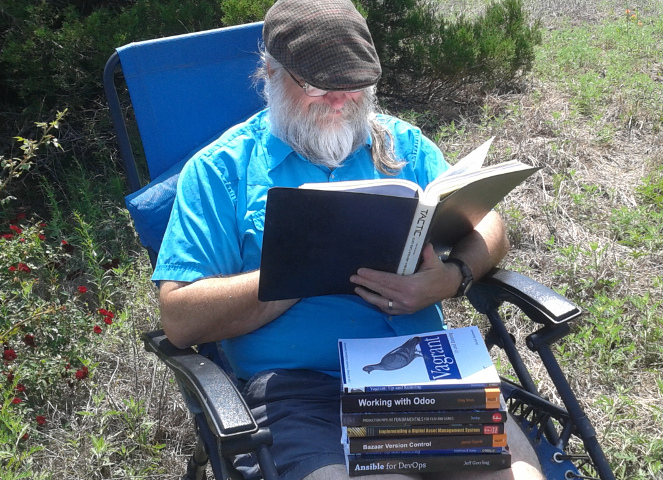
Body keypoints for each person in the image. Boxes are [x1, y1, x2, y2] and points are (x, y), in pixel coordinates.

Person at [153, 0, 544, 479]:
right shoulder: (222, 172)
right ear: (270, 72)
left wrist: (452, 277)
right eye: (317, 86)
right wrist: (298, 269)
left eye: (355, 87)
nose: (339, 102)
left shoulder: (402, 147)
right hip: (301, 394)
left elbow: (490, 224)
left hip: (423, 370)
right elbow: (178, 318)